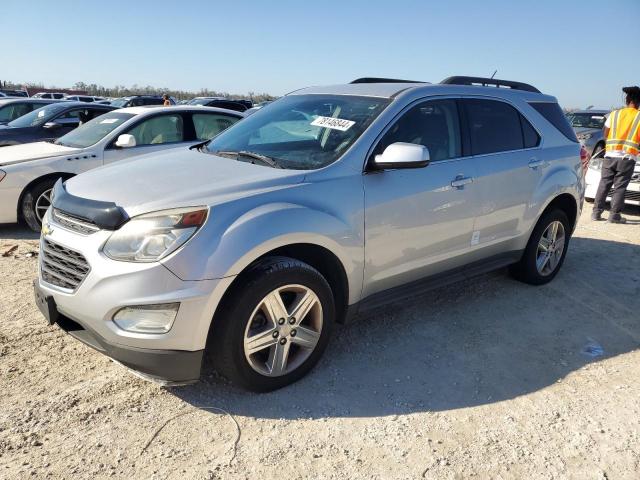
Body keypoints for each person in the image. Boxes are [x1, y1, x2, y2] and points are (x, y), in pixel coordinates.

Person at [592, 86, 640, 223]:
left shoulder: (615, 114)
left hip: (609, 155)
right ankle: (614, 216)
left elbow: (605, 133)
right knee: (620, 187)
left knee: (604, 184)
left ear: (627, 100)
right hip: (627, 157)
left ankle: (596, 213)